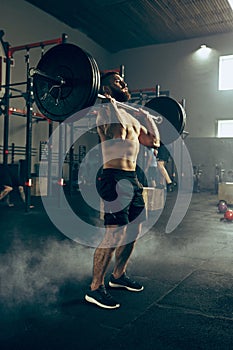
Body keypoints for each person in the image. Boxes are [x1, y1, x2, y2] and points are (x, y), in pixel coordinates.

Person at [84, 72, 160, 309]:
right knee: (114, 234)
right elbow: (115, 134)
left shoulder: (131, 117)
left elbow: (154, 142)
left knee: (134, 230)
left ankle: (118, 275)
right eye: (117, 81)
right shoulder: (105, 113)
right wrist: (111, 103)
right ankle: (96, 288)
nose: (124, 83)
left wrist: (146, 116)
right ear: (105, 88)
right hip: (112, 177)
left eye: (124, 80)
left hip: (132, 178)